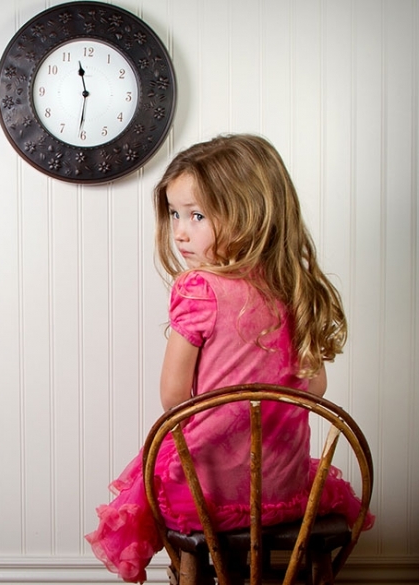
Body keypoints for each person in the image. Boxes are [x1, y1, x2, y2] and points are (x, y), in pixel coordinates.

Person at [85, 134, 374, 583]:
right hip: (285, 488)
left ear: (249, 214)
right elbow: (315, 390)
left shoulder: (198, 288)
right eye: (175, 214)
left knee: (157, 469)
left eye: (197, 216)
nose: (179, 231)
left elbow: (174, 396)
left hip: (208, 495)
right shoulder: (292, 288)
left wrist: (226, 409)